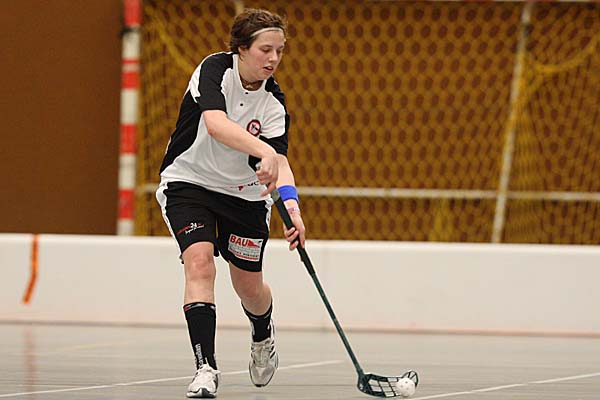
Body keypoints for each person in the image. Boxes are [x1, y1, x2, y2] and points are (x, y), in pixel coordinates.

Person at [155, 8, 306, 399]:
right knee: (200, 262)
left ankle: (262, 332)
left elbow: (281, 164)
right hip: (190, 183)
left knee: (248, 287)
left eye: (279, 51)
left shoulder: (273, 104)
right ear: (241, 48)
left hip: (244, 196)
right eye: (265, 49)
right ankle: (206, 368)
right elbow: (216, 125)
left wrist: (292, 210)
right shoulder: (215, 71)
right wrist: (264, 152)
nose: (273, 58)